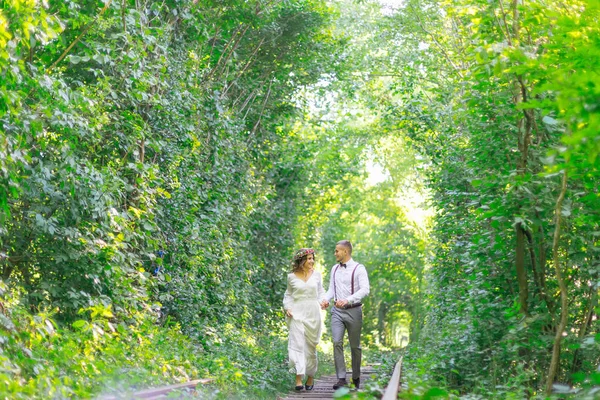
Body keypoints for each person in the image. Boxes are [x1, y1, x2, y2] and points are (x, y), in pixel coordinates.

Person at [320, 240, 370, 390]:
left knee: (355, 347)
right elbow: (331, 290)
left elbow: (365, 289)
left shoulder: (359, 269)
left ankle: (356, 376)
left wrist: (348, 300)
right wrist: (325, 300)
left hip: (354, 310)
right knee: (336, 342)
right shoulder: (334, 269)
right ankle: (341, 378)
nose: (335, 253)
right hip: (337, 312)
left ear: (345, 252)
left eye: (337, 251)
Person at [283, 248, 327, 391]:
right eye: (309, 258)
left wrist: (323, 301)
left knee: (310, 347)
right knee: (297, 344)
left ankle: (310, 376)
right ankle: (298, 379)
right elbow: (288, 295)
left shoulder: (317, 275)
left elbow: (321, 293)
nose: (312, 261)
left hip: (313, 313)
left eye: (312, 258)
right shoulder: (291, 277)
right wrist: (288, 308)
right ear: (301, 261)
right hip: (297, 312)